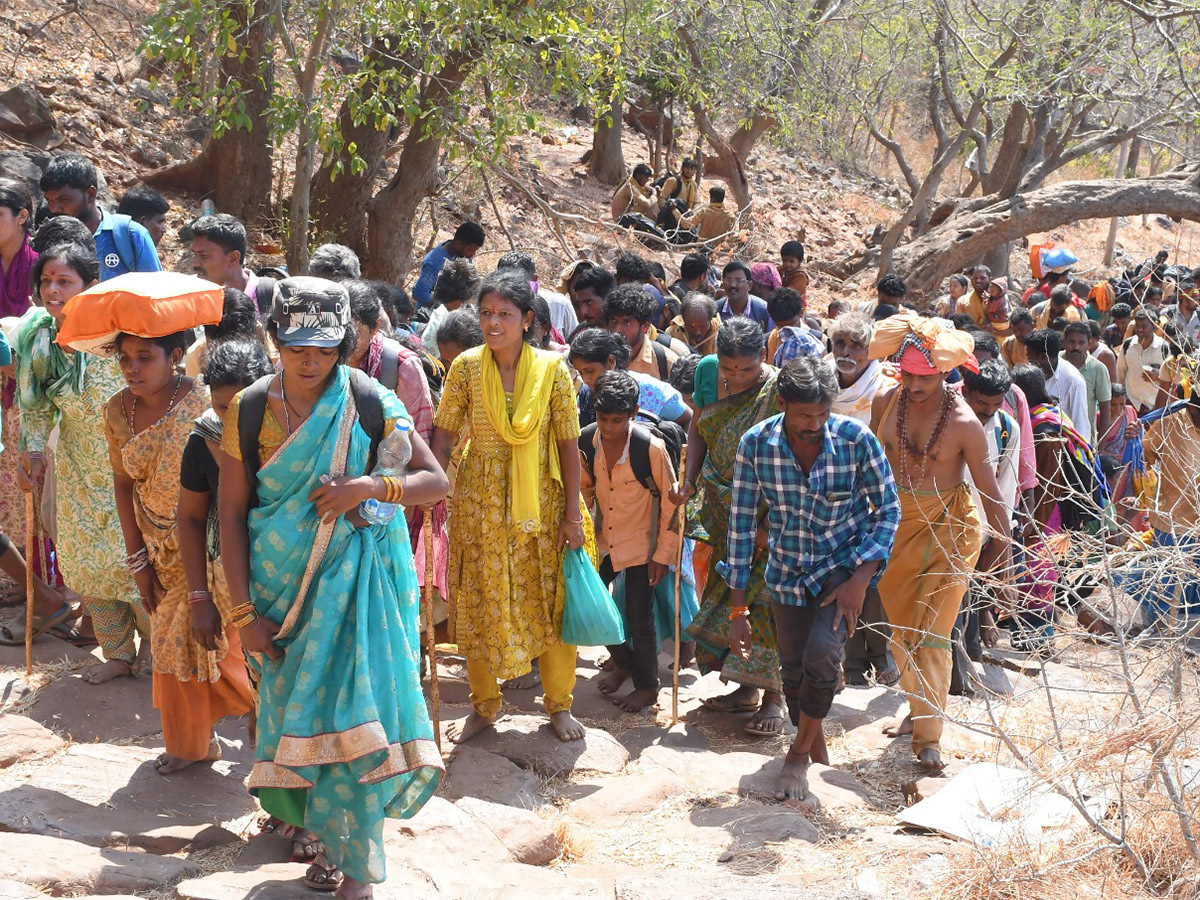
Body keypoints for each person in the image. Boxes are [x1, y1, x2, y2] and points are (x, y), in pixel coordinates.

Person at [219, 275, 446, 895]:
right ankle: (317, 839)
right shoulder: (248, 408)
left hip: (353, 591)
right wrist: (242, 614)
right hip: (274, 591)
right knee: (293, 715)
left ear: (345, 344)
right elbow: (232, 514)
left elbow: (434, 480)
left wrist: (370, 488)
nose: (310, 360)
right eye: (296, 347)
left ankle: (357, 870)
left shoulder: (368, 399)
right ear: (274, 342)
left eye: (323, 348)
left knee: (353, 718)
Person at [727, 357, 899, 799]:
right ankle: (813, 736)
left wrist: (861, 578)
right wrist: (738, 608)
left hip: (842, 567)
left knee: (823, 655)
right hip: (786, 570)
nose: (817, 424)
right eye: (805, 415)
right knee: (793, 669)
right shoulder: (755, 446)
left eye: (824, 413)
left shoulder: (856, 439)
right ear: (782, 404)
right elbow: (742, 526)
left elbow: (888, 511)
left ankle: (797, 757)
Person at [430, 270, 589, 745]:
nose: (493, 323)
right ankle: (484, 704)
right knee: (480, 602)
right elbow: (443, 434)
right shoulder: (465, 369)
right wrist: (430, 488)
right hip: (479, 507)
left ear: (527, 319)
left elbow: (568, 443)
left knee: (550, 602)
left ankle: (558, 705)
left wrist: (572, 516)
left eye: (504, 314)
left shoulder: (553, 371)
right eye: (486, 313)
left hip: (543, 505)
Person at [102, 327, 255, 775]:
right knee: (180, 644)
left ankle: (261, 710)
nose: (132, 367)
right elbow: (122, 483)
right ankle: (193, 744)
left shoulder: (205, 407)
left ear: (174, 356)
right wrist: (138, 562)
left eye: (144, 357)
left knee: (208, 642)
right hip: (158, 547)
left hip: (212, 548)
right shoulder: (115, 410)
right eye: (125, 358)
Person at [870, 318, 1011, 771]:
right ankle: (918, 708)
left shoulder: (967, 423)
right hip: (895, 527)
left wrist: (1004, 557)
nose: (913, 383)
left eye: (924, 376)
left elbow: (990, 493)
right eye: (907, 373)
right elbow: (870, 470)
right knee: (903, 631)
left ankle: (929, 736)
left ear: (947, 373)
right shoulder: (884, 403)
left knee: (931, 633)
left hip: (951, 530)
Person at [16, 243, 146, 680]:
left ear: (91, 287)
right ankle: (118, 656)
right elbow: (36, 410)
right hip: (76, 468)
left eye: (64, 281)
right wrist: (33, 452)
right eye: (46, 281)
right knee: (90, 563)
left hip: (131, 464)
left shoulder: (117, 334)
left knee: (137, 562)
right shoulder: (39, 341)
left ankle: (159, 650)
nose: (53, 289)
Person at [672, 318, 787, 736]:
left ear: (763, 359)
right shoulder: (705, 373)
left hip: (764, 509)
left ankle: (773, 697)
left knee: (765, 600)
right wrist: (687, 478)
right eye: (728, 368)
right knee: (726, 589)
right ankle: (744, 690)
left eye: (746, 369)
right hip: (720, 505)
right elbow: (699, 428)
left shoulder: (777, 388)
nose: (736, 377)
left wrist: (772, 525)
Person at [579, 370, 681, 712]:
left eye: (617, 420)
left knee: (639, 616)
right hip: (601, 541)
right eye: (603, 418)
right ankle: (621, 661)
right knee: (591, 606)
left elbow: (671, 505)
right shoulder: (586, 441)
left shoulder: (649, 449)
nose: (608, 427)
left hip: (642, 545)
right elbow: (583, 492)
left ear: (633, 413)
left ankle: (647, 687)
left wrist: (663, 555)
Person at [826, 311, 900, 685]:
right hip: (825, 491)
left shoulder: (885, 388)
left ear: (873, 353)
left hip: (872, 492)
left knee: (870, 580)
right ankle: (839, 664)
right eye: (841, 343)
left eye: (857, 345)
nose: (847, 352)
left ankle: (882, 657)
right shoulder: (822, 381)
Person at [39, 153, 161, 279]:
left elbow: (155, 293)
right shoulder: (49, 237)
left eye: (63, 199)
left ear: (90, 194)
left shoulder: (131, 235)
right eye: (49, 200)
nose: (53, 209)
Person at [0, 179, 38, 576]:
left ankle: (38, 579)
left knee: (26, 481)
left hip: (30, 393)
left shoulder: (43, 269)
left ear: (22, 217)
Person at [568, 328, 690, 429]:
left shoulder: (652, 392)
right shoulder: (586, 396)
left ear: (611, 362)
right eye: (580, 372)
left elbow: (688, 419)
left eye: (590, 371)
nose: (585, 379)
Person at [1024, 328, 1091, 443]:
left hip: (1061, 448)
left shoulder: (1073, 380)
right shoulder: (1031, 375)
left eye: (1030, 358)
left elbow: (1080, 423)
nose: (1028, 361)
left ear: (1043, 357)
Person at [190, 214, 268, 309]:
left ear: (233, 258)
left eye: (204, 255)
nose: (195, 263)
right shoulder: (187, 297)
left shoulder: (280, 297)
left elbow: (292, 320)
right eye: (194, 254)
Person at [605, 284, 681, 381]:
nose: (617, 330)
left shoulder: (666, 363)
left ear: (645, 326)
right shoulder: (599, 358)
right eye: (613, 320)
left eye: (626, 322)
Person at [496, 250, 578, 340]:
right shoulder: (489, 308)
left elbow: (575, 342)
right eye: (508, 284)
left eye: (520, 284)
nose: (515, 291)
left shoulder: (559, 305)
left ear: (534, 279)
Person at [412, 222, 485, 309]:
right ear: (458, 244)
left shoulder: (461, 254)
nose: (473, 254)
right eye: (470, 250)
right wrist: (443, 309)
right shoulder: (435, 262)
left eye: (475, 250)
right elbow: (420, 292)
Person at [1063, 321, 1111, 444]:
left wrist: (1100, 446)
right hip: (1058, 437)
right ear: (1064, 342)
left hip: (1085, 440)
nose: (1076, 347)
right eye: (1072, 342)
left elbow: (1105, 409)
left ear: (1089, 343)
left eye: (1081, 342)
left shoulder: (1098, 369)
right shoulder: (1055, 363)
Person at [421, 259, 480, 356]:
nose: (454, 315)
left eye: (459, 310)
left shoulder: (487, 315)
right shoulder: (439, 322)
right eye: (449, 309)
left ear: (472, 299)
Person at [1117, 308, 1167, 415]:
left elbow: (1171, 379)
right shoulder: (1128, 345)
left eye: (1144, 326)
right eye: (1137, 326)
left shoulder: (1164, 348)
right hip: (1132, 403)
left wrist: (1156, 377)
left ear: (1154, 326)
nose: (1140, 329)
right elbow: (1120, 374)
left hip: (1155, 405)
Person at [718, 261, 772, 330]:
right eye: (728, 280)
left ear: (749, 285)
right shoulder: (716, 309)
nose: (732, 285)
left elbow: (771, 337)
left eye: (738, 280)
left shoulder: (763, 309)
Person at [667, 292, 720, 356]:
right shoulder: (672, 333)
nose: (697, 332)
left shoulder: (721, 335)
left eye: (703, 326)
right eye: (690, 327)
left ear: (710, 319)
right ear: (683, 319)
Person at [570, 265, 615, 332]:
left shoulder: (628, 335)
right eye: (580, 304)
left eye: (589, 303)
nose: (583, 312)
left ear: (607, 298)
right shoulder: (579, 333)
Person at [1160, 279, 1200, 344]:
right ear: (1185, 301)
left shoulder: (1199, 314)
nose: (1197, 303)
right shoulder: (1168, 313)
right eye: (1195, 300)